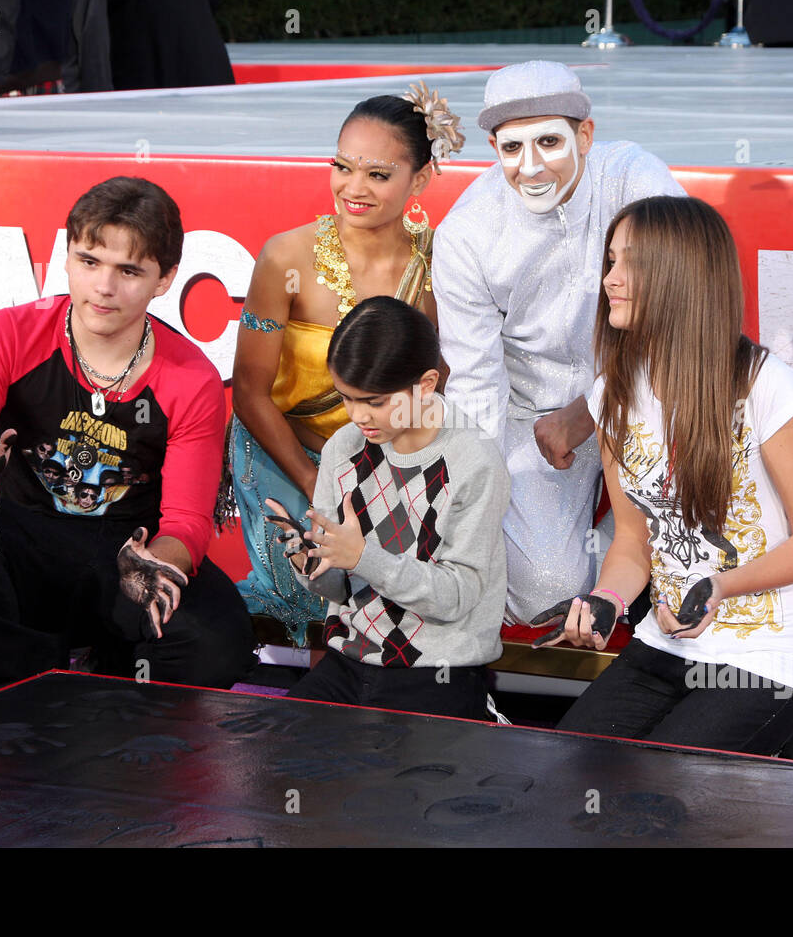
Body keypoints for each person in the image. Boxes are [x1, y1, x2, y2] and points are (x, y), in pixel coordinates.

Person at [0, 176, 256, 692]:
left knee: (217, 645)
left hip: (127, 559)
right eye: (89, 261)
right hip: (22, 546)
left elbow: (185, 523)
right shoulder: (10, 335)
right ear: (67, 257)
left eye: (129, 270)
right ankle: (23, 683)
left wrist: (157, 568)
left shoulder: (192, 378)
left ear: (165, 279)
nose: (103, 287)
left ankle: (105, 666)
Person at [540, 196, 793, 754]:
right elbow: (633, 540)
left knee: (665, 793)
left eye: (632, 263)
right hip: (666, 643)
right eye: (610, 261)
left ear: (683, 276)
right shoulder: (614, 393)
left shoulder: (764, 386)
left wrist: (722, 586)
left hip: (767, 655)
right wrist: (605, 600)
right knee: (569, 771)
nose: (612, 279)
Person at [432, 60, 687, 625]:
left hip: (654, 396)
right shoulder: (467, 235)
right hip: (534, 418)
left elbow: (687, 313)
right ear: (494, 148)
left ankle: (650, 541)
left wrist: (594, 408)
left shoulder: (634, 181)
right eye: (511, 149)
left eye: (549, 142)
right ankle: (640, 541)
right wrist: (478, 496)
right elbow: (476, 384)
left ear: (586, 135)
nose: (530, 167)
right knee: (542, 593)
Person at [223, 84, 464, 647]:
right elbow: (250, 395)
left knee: (397, 604)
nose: (353, 188)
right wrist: (319, 482)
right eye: (342, 167)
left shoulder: (441, 267)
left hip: (392, 464)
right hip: (288, 458)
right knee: (321, 598)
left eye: (378, 175)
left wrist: (390, 485)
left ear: (420, 180)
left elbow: (439, 390)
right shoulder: (285, 257)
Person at [272, 296, 509, 720]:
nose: (358, 415)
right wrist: (307, 560)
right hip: (348, 666)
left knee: (388, 784)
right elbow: (341, 590)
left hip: (437, 670)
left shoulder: (473, 460)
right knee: (271, 758)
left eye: (375, 401)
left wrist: (365, 557)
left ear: (427, 383)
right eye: (345, 397)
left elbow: (458, 596)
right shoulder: (343, 450)